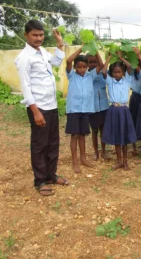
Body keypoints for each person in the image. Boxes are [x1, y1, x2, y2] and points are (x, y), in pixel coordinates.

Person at [15, 19, 69, 196]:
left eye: (41, 35)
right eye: (35, 35)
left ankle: (51, 175)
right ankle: (40, 181)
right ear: (26, 35)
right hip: (39, 108)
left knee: (53, 143)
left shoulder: (42, 51)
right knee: (40, 145)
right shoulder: (24, 58)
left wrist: (60, 45)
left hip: (51, 105)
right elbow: (26, 87)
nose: (38, 38)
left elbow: (54, 63)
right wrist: (35, 111)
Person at [66, 48, 103, 173]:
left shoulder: (90, 75)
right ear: (75, 67)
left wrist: (95, 49)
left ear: (87, 67)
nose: (81, 69)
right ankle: (75, 162)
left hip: (85, 109)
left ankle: (83, 159)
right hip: (73, 109)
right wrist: (82, 48)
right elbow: (69, 60)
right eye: (79, 67)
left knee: (82, 135)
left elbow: (102, 65)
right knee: (74, 135)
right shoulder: (71, 75)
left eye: (84, 67)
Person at [102, 54, 137, 171]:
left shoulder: (127, 80)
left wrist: (121, 57)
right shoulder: (110, 81)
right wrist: (109, 57)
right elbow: (103, 70)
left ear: (123, 73)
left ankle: (125, 162)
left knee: (124, 137)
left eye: (119, 72)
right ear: (112, 73)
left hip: (123, 110)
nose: (117, 74)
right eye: (115, 72)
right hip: (113, 110)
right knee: (117, 136)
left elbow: (129, 66)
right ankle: (119, 161)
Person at [86, 52, 109, 160]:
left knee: (103, 130)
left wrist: (96, 52)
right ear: (87, 63)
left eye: (95, 61)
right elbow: (101, 65)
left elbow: (102, 66)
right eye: (90, 62)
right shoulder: (87, 75)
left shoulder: (104, 73)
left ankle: (103, 151)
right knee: (94, 130)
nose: (93, 64)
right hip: (93, 108)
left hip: (104, 106)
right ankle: (96, 152)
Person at [128, 60, 141, 155]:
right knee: (133, 120)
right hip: (134, 97)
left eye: (138, 64)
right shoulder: (131, 73)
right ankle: (134, 147)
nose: (136, 66)